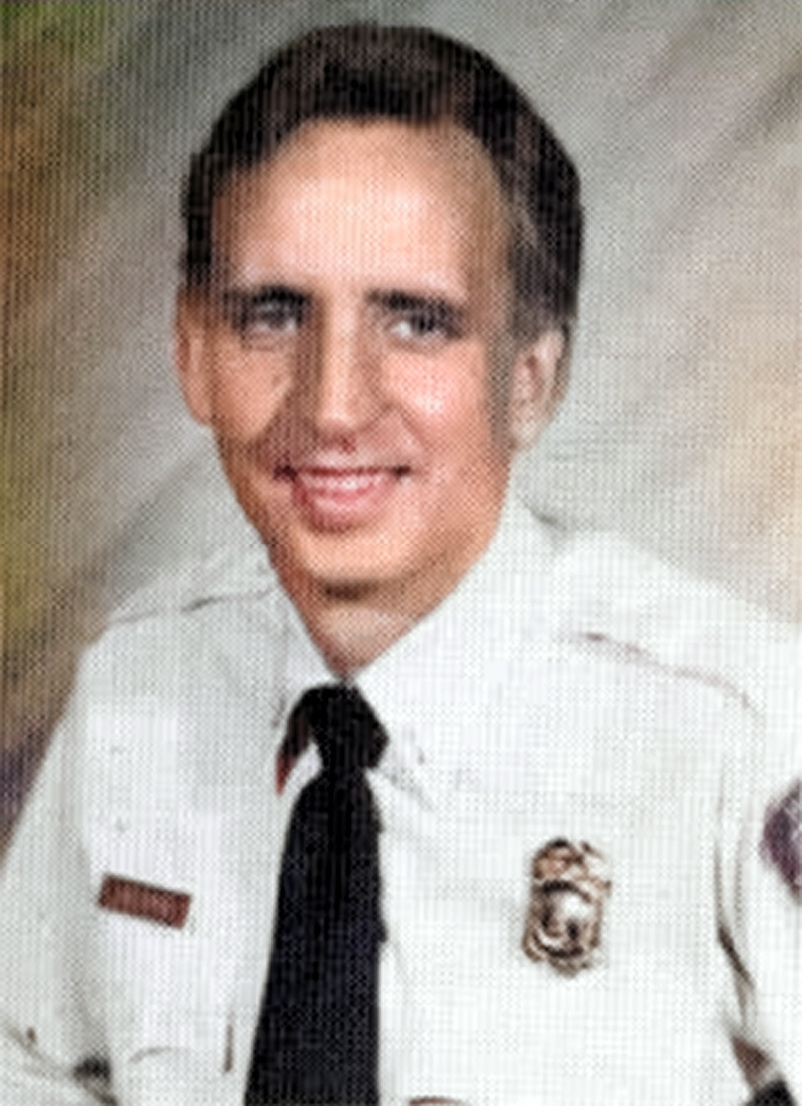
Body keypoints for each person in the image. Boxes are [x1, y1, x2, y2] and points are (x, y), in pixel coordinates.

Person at [0, 22, 798, 1106]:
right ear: (192, 352)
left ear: (529, 378)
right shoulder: (137, 693)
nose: (333, 404)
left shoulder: (733, 731)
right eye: (273, 314)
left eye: (417, 322)